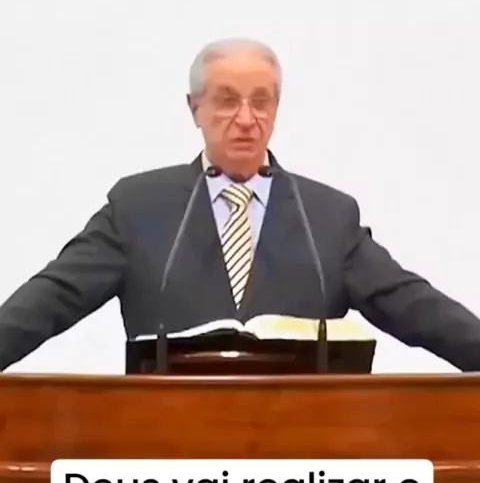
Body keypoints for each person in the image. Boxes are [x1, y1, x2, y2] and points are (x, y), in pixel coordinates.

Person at [1, 36, 480, 371]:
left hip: (307, 455)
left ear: (277, 107)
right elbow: (52, 298)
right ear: (195, 109)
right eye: (227, 100)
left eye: (261, 101)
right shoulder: (138, 208)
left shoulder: (327, 217)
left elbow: (414, 306)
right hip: (165, 450)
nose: (247, 119)